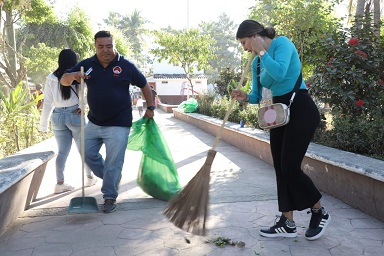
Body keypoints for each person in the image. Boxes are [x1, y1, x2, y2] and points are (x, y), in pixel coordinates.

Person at [231, 20, 331, 241]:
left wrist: (263, 52)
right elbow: (258, 96)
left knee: (290, 166)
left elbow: (280, 72)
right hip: (278, 113)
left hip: (300, 108)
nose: (245, 48)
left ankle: (319, 211)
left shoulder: (282, 44)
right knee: (280, 168)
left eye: (245, 42)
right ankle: (287, 222)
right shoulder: (257, 62)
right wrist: (245, 96)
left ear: (254, 36)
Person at [60, 30, 155, 213]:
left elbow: (144, 84)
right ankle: (112, 176)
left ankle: (109, 196)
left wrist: (150, 108)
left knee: (114, 162)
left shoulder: (126, 65)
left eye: (109, 46)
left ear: (114, 45)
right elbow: (64, 80)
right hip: (94, 122)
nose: (106, 50)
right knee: (86, 153)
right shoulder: (87, 65)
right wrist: (73, 76)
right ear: (95, 47)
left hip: (119, 123)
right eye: (101, 46)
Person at [39, 48, 97, 194]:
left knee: (62, 152)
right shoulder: (77, 76)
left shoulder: (50, 78)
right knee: (84, 149)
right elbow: (84, 94)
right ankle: (89, 178)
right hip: (74, 114)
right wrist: (83, 107)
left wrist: (43, 125)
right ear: (74, 61)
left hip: (57, 115)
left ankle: (60, 183)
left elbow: (47, 102)